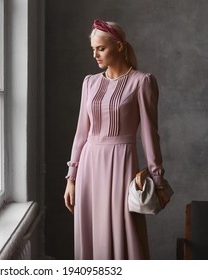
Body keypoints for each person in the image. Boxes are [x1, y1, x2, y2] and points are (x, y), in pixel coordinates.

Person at [64, 19, 168, 260]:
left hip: (121, 163)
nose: (95, 55)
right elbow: (81, 133)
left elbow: (149, 134)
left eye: (101, 48)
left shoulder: (142, 81)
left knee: (125, 232)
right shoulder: (89, 82)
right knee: (90, 233)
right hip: (89, 165)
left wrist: (158, 179)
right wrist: (72, 178)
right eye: (93, 49)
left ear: (119, 46)